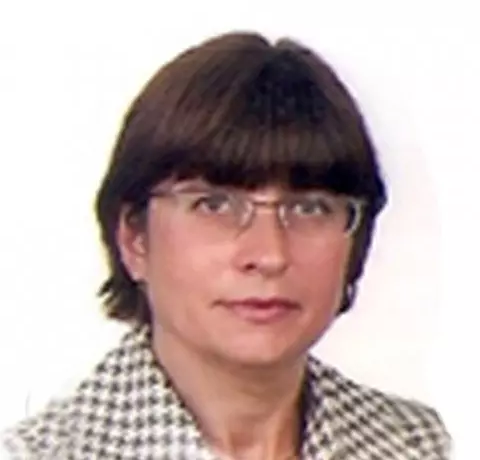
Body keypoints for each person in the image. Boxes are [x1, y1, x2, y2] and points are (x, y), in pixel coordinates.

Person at [1, 31, 450, 459]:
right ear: (134, 238)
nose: (270, 255)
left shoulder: (423, 444)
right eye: (215, 204)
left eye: (310, 208)